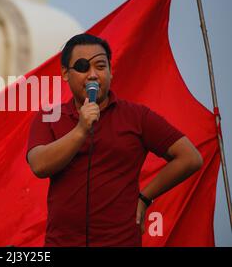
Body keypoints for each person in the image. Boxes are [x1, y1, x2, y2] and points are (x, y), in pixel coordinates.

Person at [26, 33, 203, 247]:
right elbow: (39, 165)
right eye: (82, 67)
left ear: (110, 71)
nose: (93, 75)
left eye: (100, 66)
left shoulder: (137, 117)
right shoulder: (49, 117)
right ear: (65, 73)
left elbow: (190, 158)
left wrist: (145, 197)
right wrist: (81, 130)